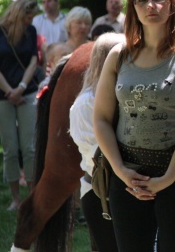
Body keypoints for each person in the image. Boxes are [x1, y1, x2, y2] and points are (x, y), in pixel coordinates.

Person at [93, 0, 175, 252]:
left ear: (173, 5)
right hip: (127, 180)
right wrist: (121, 171)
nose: (151, 5)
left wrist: (167, 179)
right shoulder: (118, 55)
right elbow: (100, 118)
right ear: (133, 7)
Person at [70, 33, 124, 252]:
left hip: (119, 191)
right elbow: (100, 157)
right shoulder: (86, 104)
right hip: (100, 192)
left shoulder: (115, 96)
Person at [0, 0, 40, 211]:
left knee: (29, 147)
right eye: (28, 16)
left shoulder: (31, 31)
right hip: (1, 96)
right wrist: (9, 91)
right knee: (10, 148)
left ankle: (31, 195)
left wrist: (20, 87)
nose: (30, 20)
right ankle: (15, 198)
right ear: (18, 13)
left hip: (27, 93)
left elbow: (33, 61)